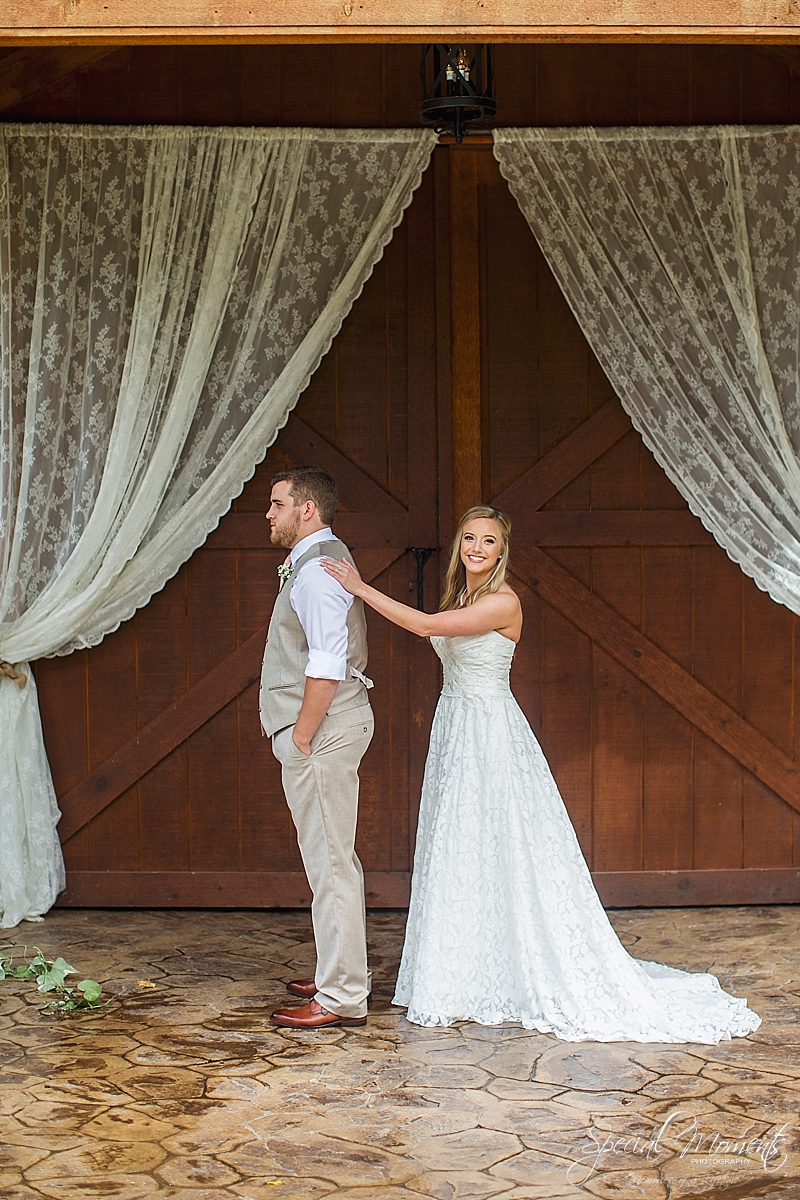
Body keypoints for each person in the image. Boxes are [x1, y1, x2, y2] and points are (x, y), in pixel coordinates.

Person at [322, 505, 761, 1042]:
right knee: (465, 846)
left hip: (488, 735)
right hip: (457, 729)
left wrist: (360, 588)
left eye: (488, 541)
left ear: (503, 552)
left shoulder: (503, 602)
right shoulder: (465, 595)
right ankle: (465, 971)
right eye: (469, 538)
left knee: (505, 844)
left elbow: (428, 627)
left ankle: (514, 966)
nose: (477, 548)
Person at [261, 466, 374, 1030]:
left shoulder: (316, 573)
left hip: (323, 732)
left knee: (331, 865)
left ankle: (341, 995)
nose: (269, 513)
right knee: (333, 860)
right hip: (328, 730)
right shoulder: (321, 558)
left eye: (278, 503)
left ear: (307, 509)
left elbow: (326, 663)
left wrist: (301, 735)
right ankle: (340, 969)